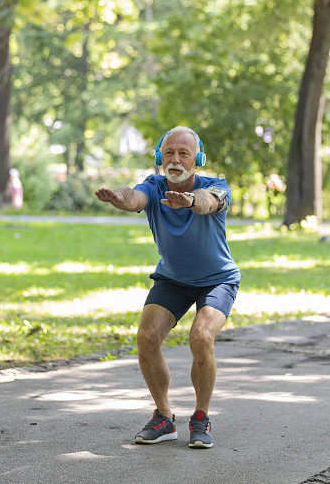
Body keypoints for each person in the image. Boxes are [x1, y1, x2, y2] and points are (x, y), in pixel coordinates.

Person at [95, 126, 240, 449]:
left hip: (217, 279)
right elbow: (136, 198)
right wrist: (120, 198)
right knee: (147, 338)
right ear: (160, 157)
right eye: (169, 153)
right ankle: (164, 418)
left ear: (197, 159)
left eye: (183, 154)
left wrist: (188, 200)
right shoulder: (154, 185)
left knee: (201, 336)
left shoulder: (217, 186)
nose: (175, 160)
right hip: (173, 278)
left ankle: (200, 418)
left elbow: (208, 202)